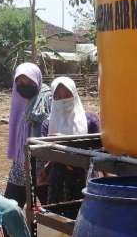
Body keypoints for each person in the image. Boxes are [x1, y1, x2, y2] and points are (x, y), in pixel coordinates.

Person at [41, 76, 101, 204]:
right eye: (58, 97)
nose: (63, 100)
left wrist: (75, 158)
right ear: (53, 98)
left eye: (67, 95)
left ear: (74, 94)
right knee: (59, 217)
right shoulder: (47, 124)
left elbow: (100, 150)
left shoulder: (90, 120)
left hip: (86, 177)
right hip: (58, 180)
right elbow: (45, 154)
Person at [5, 62, 51, 208]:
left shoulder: (47, 99)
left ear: (36, 80)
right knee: (11, 208)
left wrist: (44, 165)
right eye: (19, 81)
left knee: (54, 212)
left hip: (43, 166)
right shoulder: (17, 101)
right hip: (20, 165)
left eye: (28, 81)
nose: (23, 85)